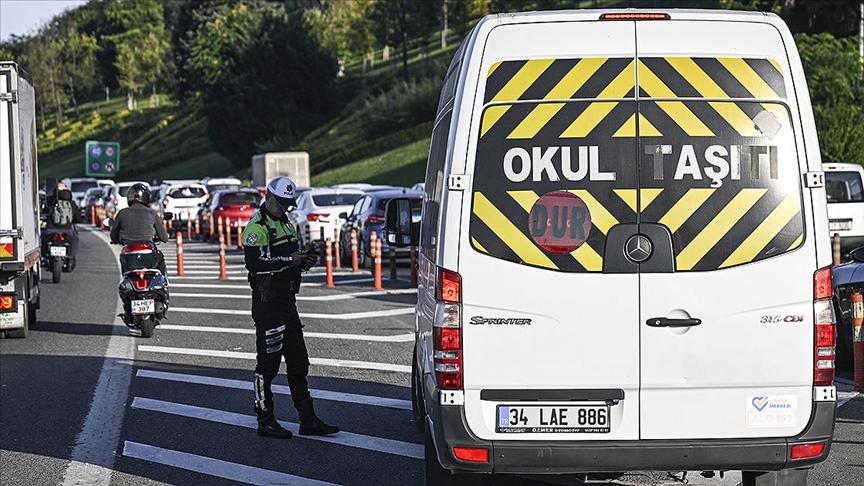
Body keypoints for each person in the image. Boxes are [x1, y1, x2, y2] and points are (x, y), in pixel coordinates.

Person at [242, 176, 339, 439]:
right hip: (267, 303)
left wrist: (306, 260)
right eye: (281, 202)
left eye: (288, 203)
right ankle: (265, 419)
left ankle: (307, 419)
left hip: (288, 302)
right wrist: (290, 260)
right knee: (268, 365)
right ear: (268, 196)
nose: (284, 208)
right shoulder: (256, 226)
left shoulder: (286, 223)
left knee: (299, 362)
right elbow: (255, 263)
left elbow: (292, 261)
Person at [109, 182, 169, 275]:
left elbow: (114, 235)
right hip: (147, 250)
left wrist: (116, 239)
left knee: (125, 268)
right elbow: (164, 237)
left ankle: (126, 279)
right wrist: (163, 237)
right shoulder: (151, 213)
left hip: (129, 253)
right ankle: (163, 282)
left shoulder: (122, 213)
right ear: (146, 197)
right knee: (159, 257)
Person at [42, 183, 82, 269]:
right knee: (75, 240)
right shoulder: (71, 204)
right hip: (67, 230)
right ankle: (71, 257)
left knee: (42, 239)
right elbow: (78, 218)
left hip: (50, 230)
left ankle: (44, 257)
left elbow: (44, 211)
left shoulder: (50, 201)